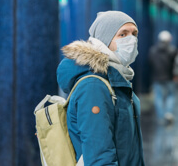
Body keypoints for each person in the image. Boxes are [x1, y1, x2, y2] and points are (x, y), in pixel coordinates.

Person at [57, 11, 145, 166]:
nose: (131, 40)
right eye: (123, 35)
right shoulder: (93, 87)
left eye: (134, 33)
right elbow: (99, 157)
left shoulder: (117, 79)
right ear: (105, 40)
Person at [149, 31, 177, 125]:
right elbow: (175, 64)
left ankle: (161, 117)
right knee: (170, 95)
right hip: (169, 77)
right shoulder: (172, 50)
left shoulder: (153, 50)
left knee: (158, 97)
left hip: (157, 77)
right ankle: (168, 113)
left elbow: (150, 63)